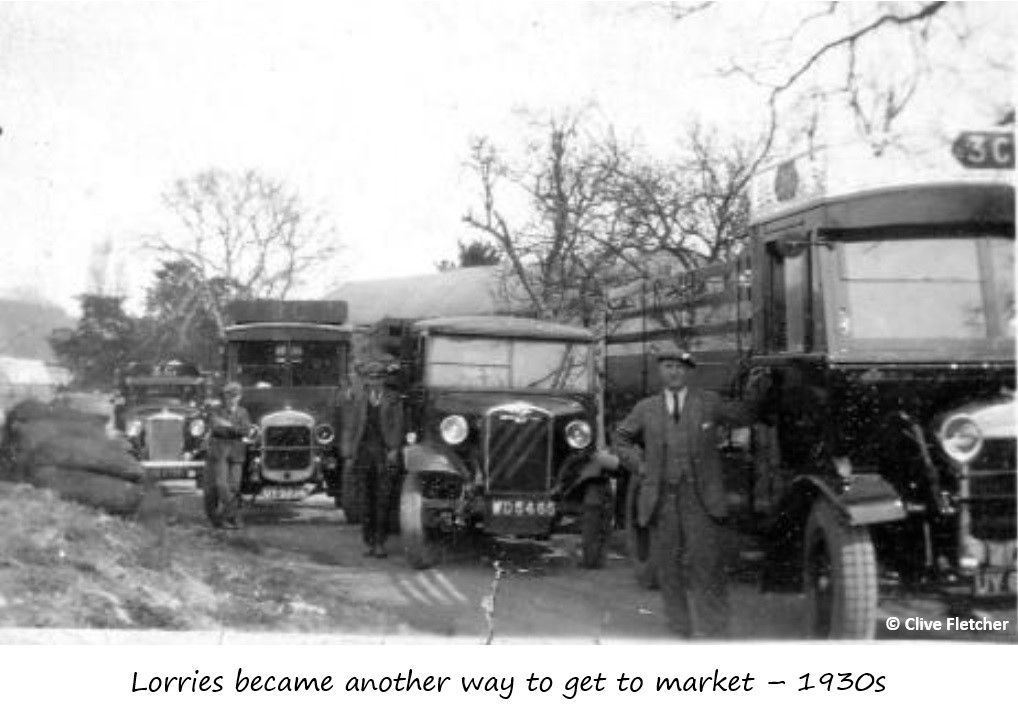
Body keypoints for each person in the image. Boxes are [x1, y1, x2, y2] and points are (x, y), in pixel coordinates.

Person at [613, 341, 766, 638]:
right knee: (668, 568)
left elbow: (744, 415)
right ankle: (680, 629)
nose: (674, 373)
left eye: (680, 367)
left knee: (706, 566)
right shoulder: (646, 409)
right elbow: (621, 439)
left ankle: (715, 631)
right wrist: (641, 466)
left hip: (701, 499)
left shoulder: (708, 402)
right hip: (662, 500)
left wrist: (755, 389)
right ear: (660, 371)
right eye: (668, 367)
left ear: (689, 372)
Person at [341, 355, 404, 558]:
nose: (375, 381)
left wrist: (394, 449)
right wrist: (349, 453)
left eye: (379, 378)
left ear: (384, 380)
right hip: (363, 454)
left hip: (384, 454)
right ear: (366, 380)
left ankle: (380, 544)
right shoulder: (358, 399)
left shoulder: (393, 399)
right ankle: (369, 542)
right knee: (366, 500)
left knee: (383, 500)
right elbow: (350, 427)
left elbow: (398, 426)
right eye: (371, 378)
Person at [204, 381, 252, 530]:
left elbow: (246, 431)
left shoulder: (243, 412)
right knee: (222, 486)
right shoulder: (217, 411)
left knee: (234, 487)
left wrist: (228, 426)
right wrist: (233, 430)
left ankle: (226, 519)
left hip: (236, 454)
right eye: (228, 396)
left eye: (233, 396)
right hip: (221, 453)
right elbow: (216, 428)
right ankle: (234, 517)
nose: (230, 399)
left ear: (239, 397)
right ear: (225, 397)